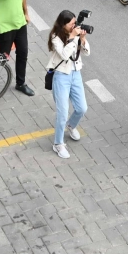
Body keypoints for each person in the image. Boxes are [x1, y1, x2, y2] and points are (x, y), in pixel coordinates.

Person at [46, 10, 91, 159]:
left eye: (75, 23)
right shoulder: (55, 37)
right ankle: (58, 144)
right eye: (71, 24)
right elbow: (65, 55)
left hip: (76, 74)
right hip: (61, 76)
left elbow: (87, 53)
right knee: (62, 112)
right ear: (63, 24)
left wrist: (82, 40)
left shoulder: (75, 34)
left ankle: (71, 125)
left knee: (82, 108)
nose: (74, 26)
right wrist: (72, 38)